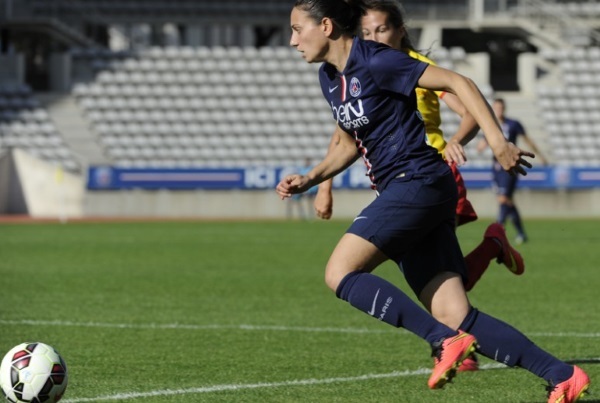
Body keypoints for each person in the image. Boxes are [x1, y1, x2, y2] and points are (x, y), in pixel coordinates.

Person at [277, 1, 590, 401]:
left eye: (296, 29)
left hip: (416, 182)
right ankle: (562, 376)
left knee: (339, 273)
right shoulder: (329, 76)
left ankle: (442, 343)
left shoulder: (378, 61)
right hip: (414, 190)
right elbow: (345, 142)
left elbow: (460, 83)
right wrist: (311, 178)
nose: (291, 40)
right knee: (456, 315)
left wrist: (497, 143)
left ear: (325, 25)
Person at [313, 0, 526, 371]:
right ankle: (457, 332)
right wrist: (323, 184)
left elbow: (467, 106)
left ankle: (449, 343)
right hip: (398, 180)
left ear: (399, 31)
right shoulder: (358, 68)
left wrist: (461, 139)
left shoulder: (407, 64)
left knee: (442, 279)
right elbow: (347, 132)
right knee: (445, 282)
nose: (373, 37)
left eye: (381, 30)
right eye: (366, 32)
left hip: (431, 173)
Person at [478, 97, 548, 244]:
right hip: (496, 168)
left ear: (504, 109)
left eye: (501, 108)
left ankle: (498, 231)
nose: (499, 110)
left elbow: (527, 139)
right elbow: (483, 143)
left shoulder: (513, 124)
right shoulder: (492, 127)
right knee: (507, 201)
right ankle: (521, 234)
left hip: (510, 166)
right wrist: (481, 146)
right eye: (496, 108)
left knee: (504, 199)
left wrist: (540, 155)